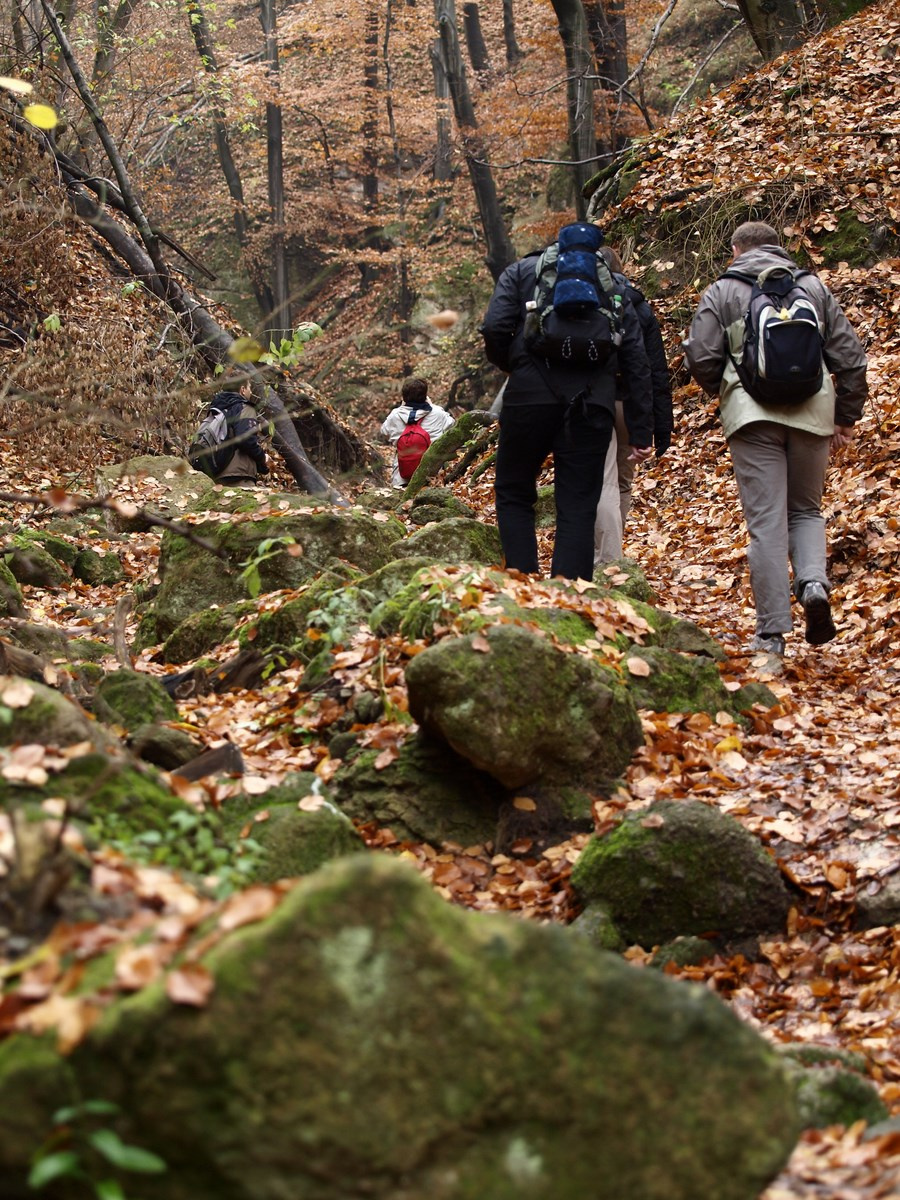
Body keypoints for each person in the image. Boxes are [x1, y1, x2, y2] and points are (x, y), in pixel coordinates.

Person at [683, 220, 868, 655]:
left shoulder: (722, 291)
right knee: (805, 510)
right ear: (779, 249)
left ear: (736, 250)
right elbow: (851, 358)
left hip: (752, 419)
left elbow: (701, 357)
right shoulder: (813, 288)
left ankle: (771, 634)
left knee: (765, 523)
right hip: (812, 412)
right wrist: (845, 416)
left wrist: (728, 389)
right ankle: (813, 586)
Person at [481, 225, 654, 582]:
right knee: (577, 504)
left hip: (528, 398)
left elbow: (495, 328)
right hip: (592, 404)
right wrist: (640, 429)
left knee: (514, 490)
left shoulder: (521, 272)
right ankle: (568, 595)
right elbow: (637, 359)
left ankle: (521, 583)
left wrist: (515, 365)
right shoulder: (615, 286)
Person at [594, 246, 674, 563]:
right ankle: (613, 554)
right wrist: (657, 426)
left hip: (594, 401)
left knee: (601, 480)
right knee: (622, 482)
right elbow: (654, 370)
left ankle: (605, 557)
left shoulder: (583, 302)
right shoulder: (639, 306)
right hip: (631, 404)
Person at [380, 376, 455, 488]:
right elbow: (452, 425)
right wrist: (431, 405)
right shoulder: (438, 413)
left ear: (404, 397)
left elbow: (384, 432)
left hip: (402, 478)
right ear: (425, 395)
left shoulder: (395, 415)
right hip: (432, 476)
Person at [214, 379, 270, 487]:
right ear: (243, 390)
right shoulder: (245, 408)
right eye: (249, 387)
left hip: (217, 473)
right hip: (239, 474)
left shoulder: (216, 409)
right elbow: (246, 439)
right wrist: (262, 458)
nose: (251, 392)